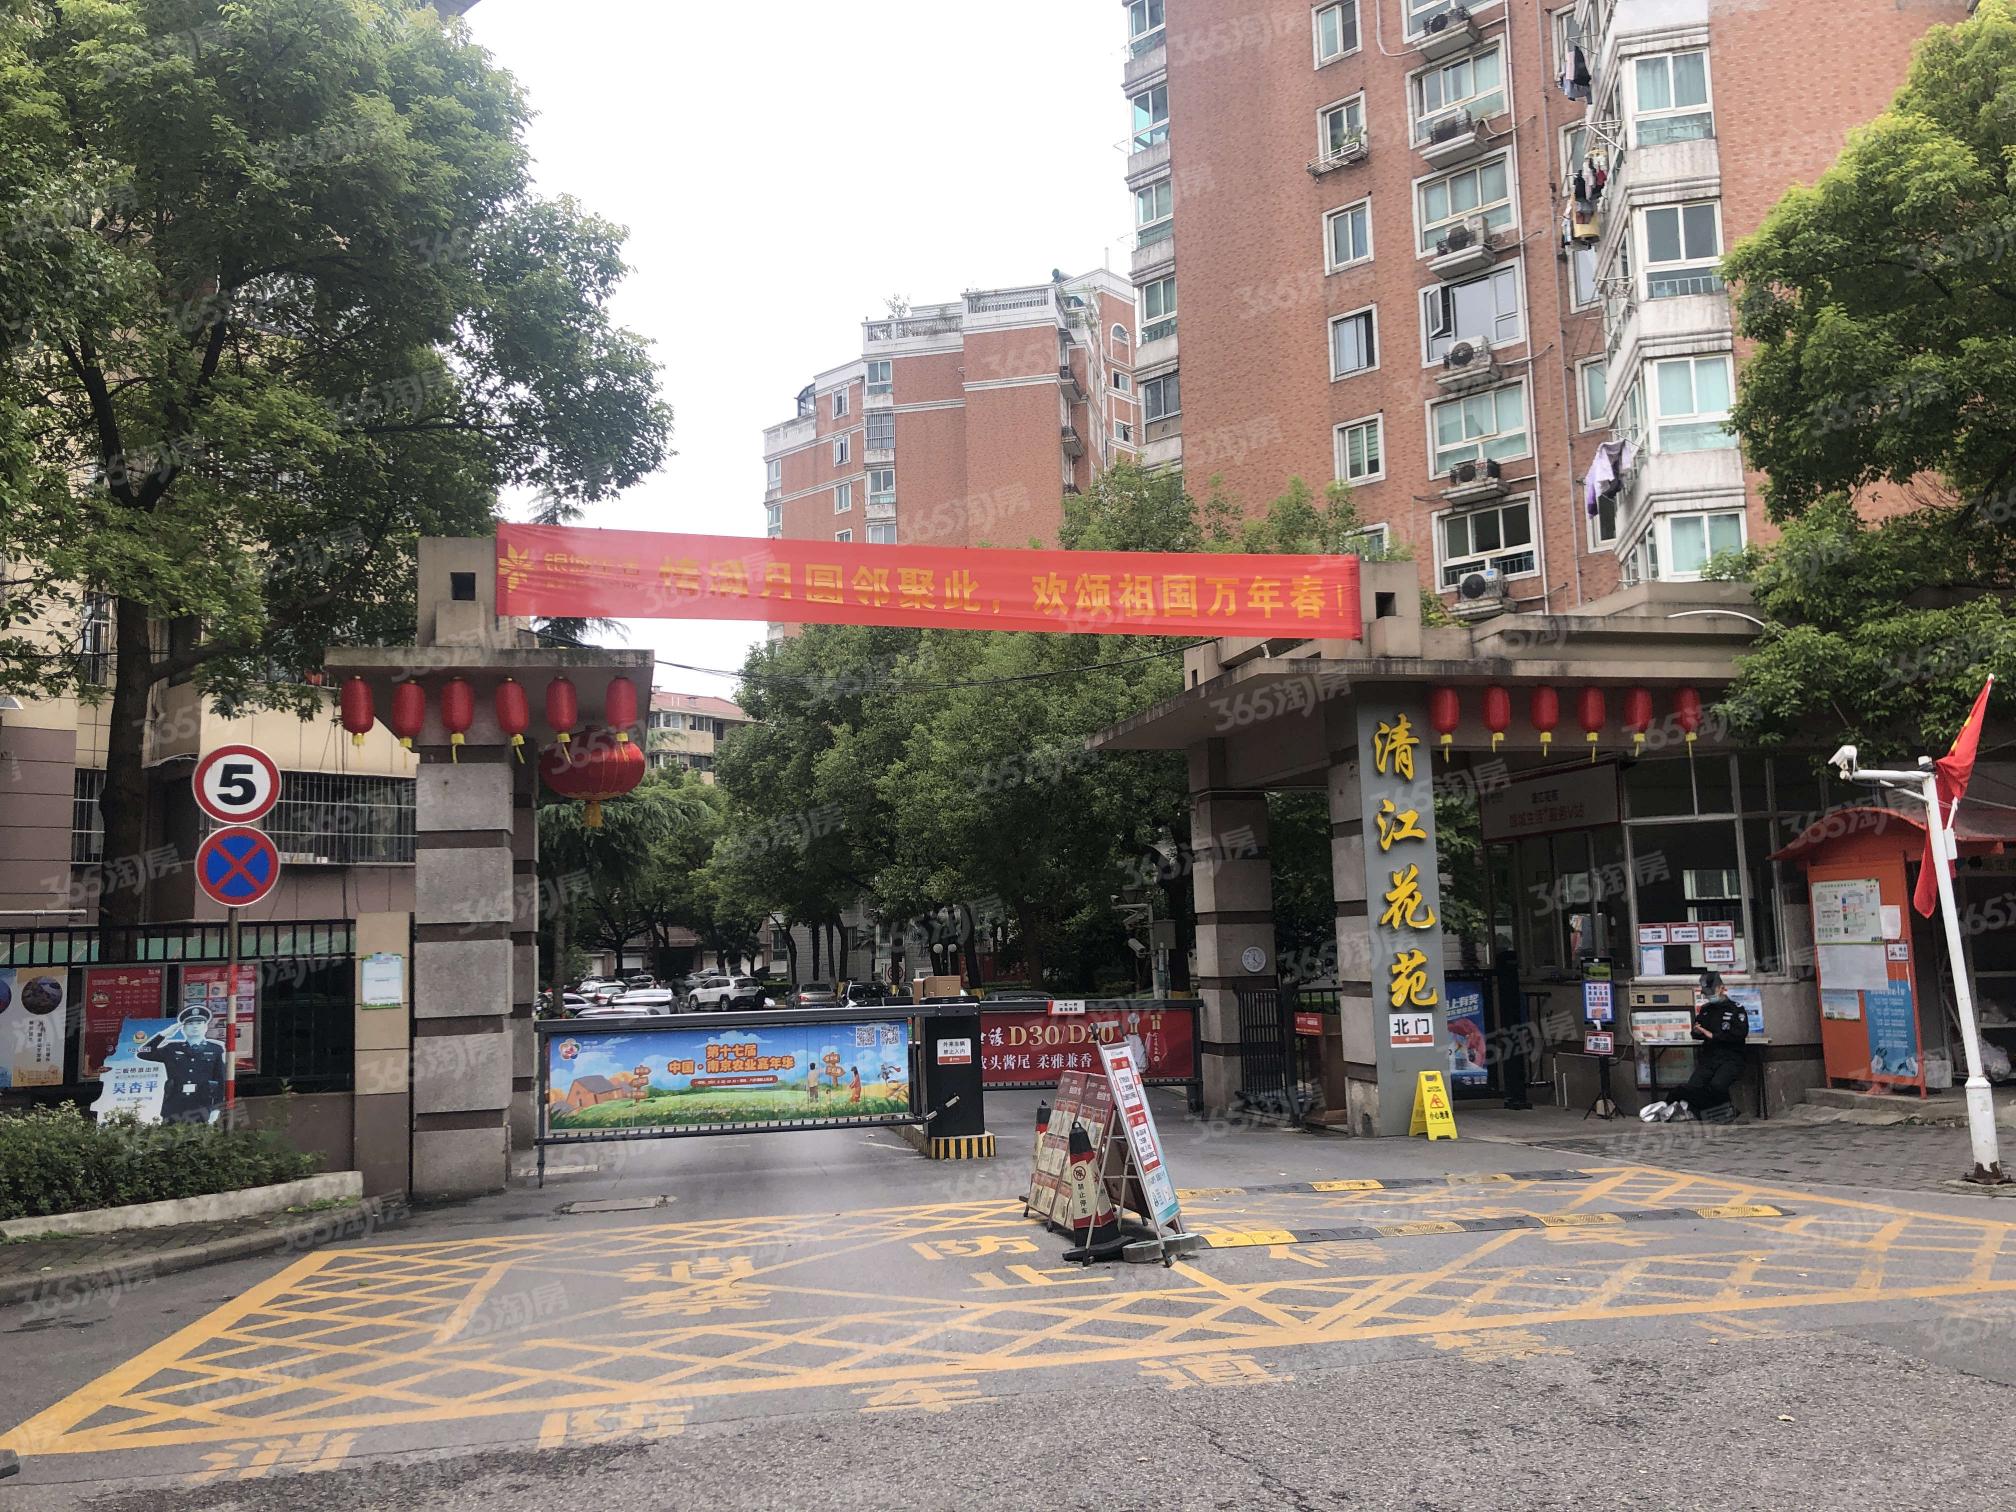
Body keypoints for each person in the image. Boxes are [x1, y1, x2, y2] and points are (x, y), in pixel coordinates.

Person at [1640, 971, 1749, 1123]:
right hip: (1710, 1057)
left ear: (1720, 988)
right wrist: (1698, 1032)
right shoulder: (1706, 1010)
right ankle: (1716, 1112)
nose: (1708, 996)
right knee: (1694, 1086)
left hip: (1731, 1057)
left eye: (1710, 992)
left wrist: (1713, 1035)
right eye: (1706, 993)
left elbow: (1740, 1034)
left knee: (1717, 1085)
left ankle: (1721, 1112)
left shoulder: (1736, 1009)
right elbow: (1697, 1031)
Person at [139, 1005, 228, 1125]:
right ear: (183, 1029)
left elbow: (220, 1081)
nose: (195, 1026)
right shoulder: (172, 1048)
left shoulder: (215, 1049)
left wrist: (216, 1108)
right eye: (190, 1023)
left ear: (205, 1027)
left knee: (199, 1135)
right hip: (174, 1105)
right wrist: (163, 1035)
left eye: (199, 1023)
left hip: (201, 1104)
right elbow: (143, 1053)